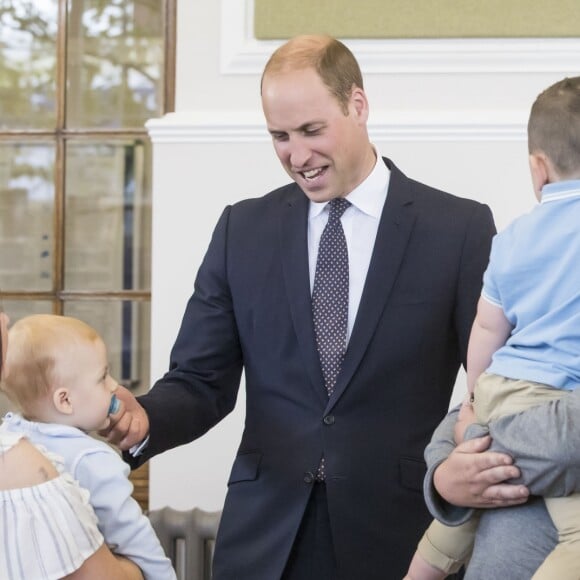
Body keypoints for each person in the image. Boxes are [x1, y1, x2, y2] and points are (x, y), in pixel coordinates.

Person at [101, 34, 496, 580]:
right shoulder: (243, 229)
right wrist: (145, 418)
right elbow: (200, 380)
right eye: (280, 136)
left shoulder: (459, 230)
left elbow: (492, 386)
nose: (297, 155)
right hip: (264, 542)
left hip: (400, 541)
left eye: (312, 131)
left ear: (357, 105)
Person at [408, 76, 580, 579]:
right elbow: (451, 472)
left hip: (505, 392)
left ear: (538, 167)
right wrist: (448, 466)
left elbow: (486, 328)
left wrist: (477, 405)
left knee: (466, 501)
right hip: (556, 403)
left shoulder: (513, 238)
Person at [0, 314, 176, 580]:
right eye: (103, 377)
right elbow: (133, 536)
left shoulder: (10, 433)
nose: (115, 386)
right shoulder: (94, 459)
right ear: (65, 401)